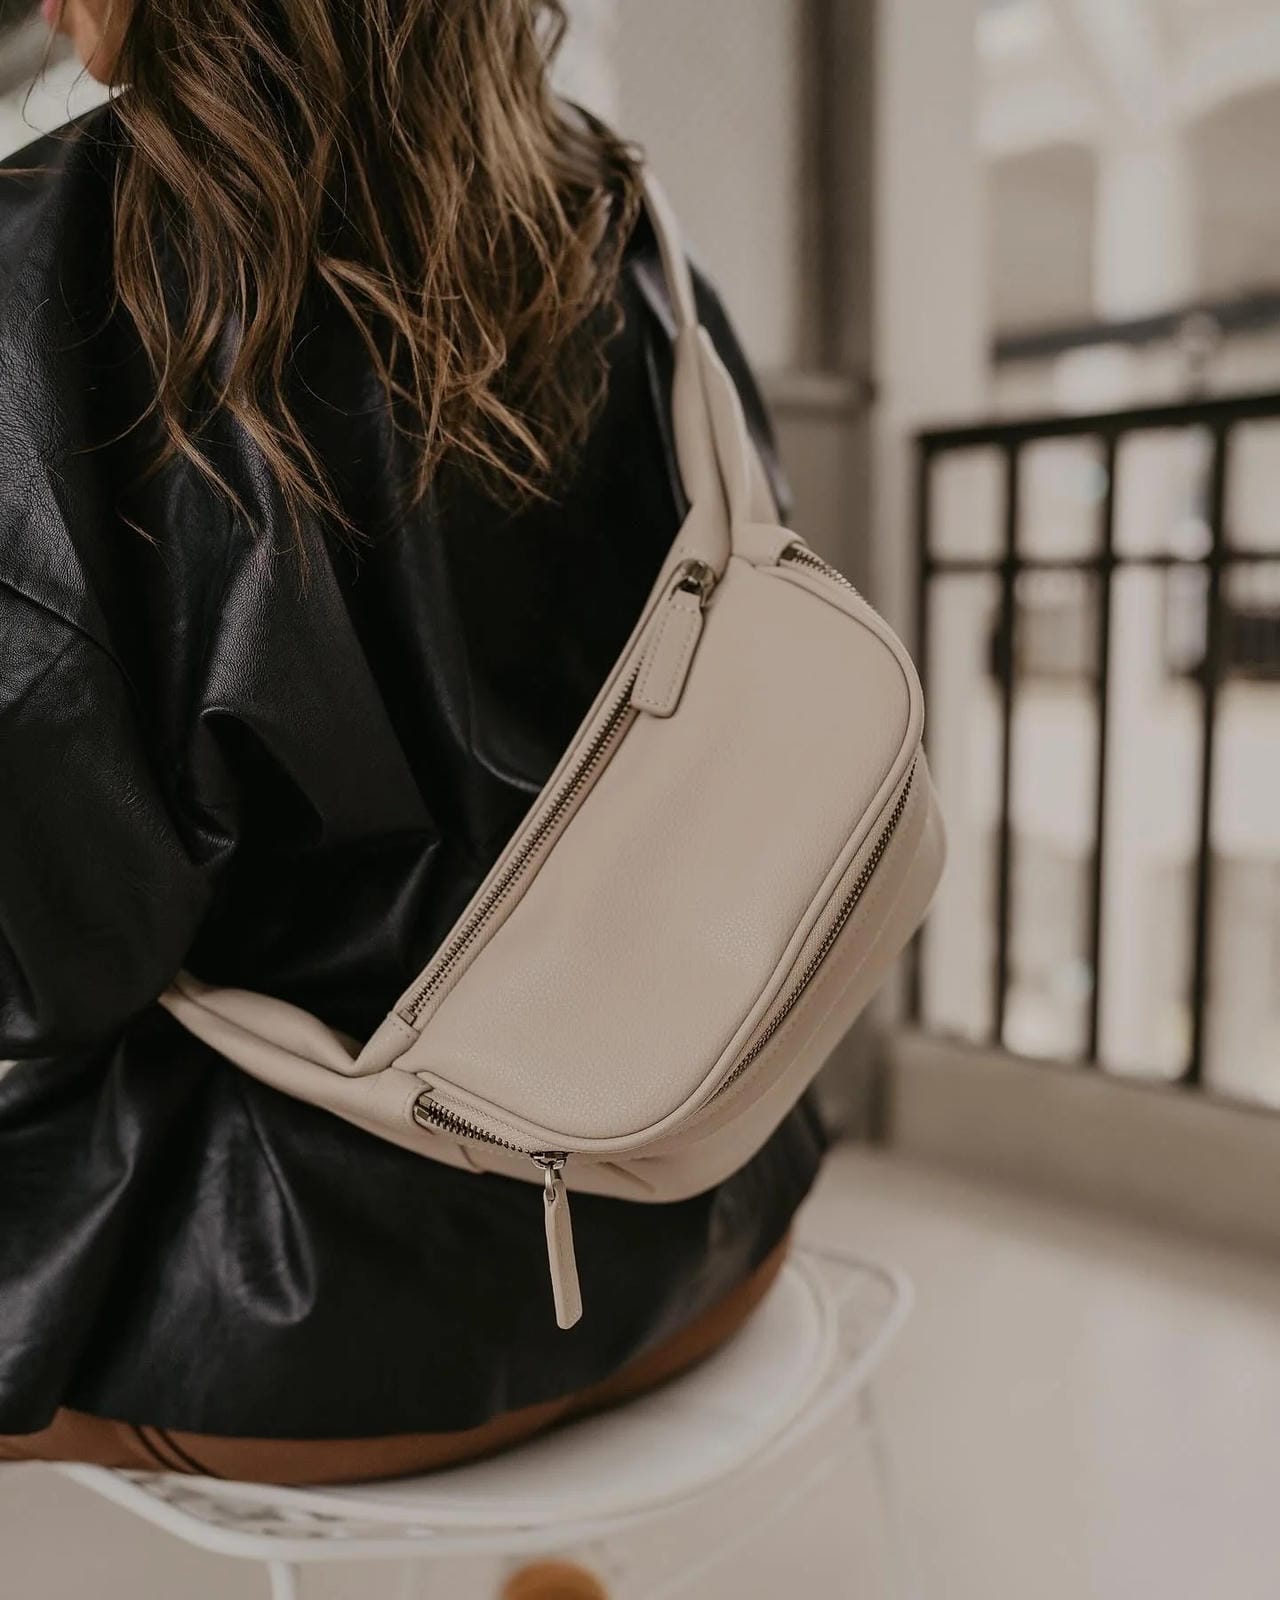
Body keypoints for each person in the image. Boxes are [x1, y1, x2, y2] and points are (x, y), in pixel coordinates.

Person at [0, 0, 825, 1485]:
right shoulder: (625, 224)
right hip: (711, 1213)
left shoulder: (38, 267)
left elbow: (59, 957)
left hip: (294, 1325)